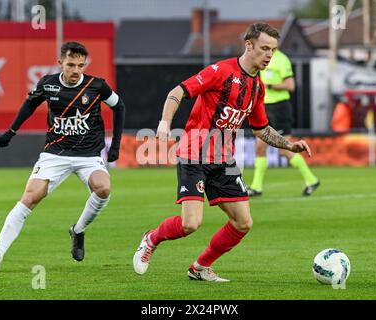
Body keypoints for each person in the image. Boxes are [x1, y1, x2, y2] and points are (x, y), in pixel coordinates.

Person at [132, 23, 312, 282]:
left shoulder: (258, 87)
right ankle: (151, 238)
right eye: (264, 48)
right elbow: (177, 92)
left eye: (273, 50)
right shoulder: (221, 71)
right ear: (248, 45)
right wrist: (164, 123)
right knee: (190, 224)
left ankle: (200, 267)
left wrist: (290, 145)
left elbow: (261, 129)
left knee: (243, 222)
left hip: (223, 161)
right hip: (194, 154)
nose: (269, 55)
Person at [0, 41, 125, 271]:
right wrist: (11, 132)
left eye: (81, 65)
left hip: (88, 155)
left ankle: (78, 230)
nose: (76, 70)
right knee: (30, 197)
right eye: (71, 64)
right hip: (55, 153)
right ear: (60, 63)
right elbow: (29, 105)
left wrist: (115, 145)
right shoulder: (48, 84)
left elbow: (119, 106)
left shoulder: (97, 86)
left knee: (104, 188)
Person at [247, 49, 320, 197]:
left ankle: (311, 179)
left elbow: (290, 85)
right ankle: (257, 187)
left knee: (284, 149)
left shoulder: (282, 59)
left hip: (279, 108)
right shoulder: (260, 58)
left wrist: (270, 86)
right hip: (264, 107)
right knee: (260, 147)